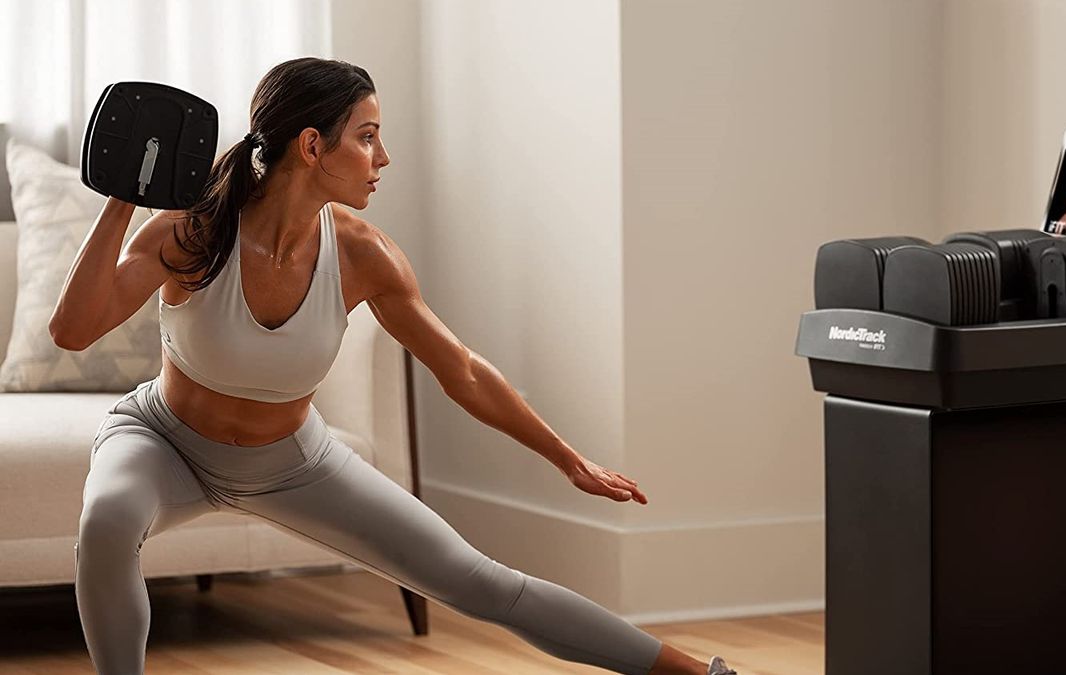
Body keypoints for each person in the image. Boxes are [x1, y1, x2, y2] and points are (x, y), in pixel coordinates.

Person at [53, 58, 737, 675]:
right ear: (313, 145)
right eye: (368, 135)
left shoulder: (363, 254)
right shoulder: (194, 231)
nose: (385, 156)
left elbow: (461, 369)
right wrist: (124, 198)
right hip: (162, 441)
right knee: (108, 520)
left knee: (481, 581)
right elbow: (72, 329)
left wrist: (566, 457)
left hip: (291, 461)